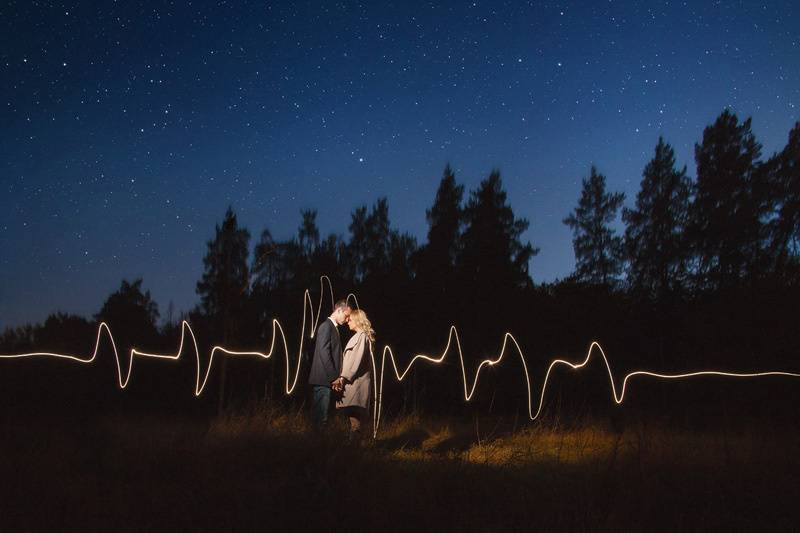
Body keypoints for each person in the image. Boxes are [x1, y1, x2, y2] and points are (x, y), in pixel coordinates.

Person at [308, 299, 351, 431]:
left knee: (322, 418)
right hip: (323, 380)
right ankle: (317, 448)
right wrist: (334, 377)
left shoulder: (332, 327)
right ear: (338, 310)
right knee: (321, 419)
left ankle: (316, 446)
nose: (347, 319)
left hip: (326, 380)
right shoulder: (326, 326)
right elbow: (324, 352)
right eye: (346, 315)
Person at [332, 309, 375, 442]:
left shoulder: (362, 337)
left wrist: (343, 379)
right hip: (355, 383)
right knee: (354, 421)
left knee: (355, 422)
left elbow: (356, 362)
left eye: (350, 319)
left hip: (357, 384)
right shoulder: (360, 336)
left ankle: (353, 453)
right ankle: (354, 451)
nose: (347, 321)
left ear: (357, 320)